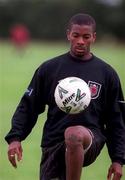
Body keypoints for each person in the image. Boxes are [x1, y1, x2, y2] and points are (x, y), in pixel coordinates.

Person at [5, 13, 125, 180]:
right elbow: (28, 106)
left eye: (86, 36)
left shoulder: (107, 73)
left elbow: (115, 119)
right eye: (76, 35)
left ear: (93, 37)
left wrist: (118, 159)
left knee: (73, 134)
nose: (80, 41)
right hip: (53, 141)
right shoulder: (49, 69)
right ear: (68, 34)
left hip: (89, 139)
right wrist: (15, 138)